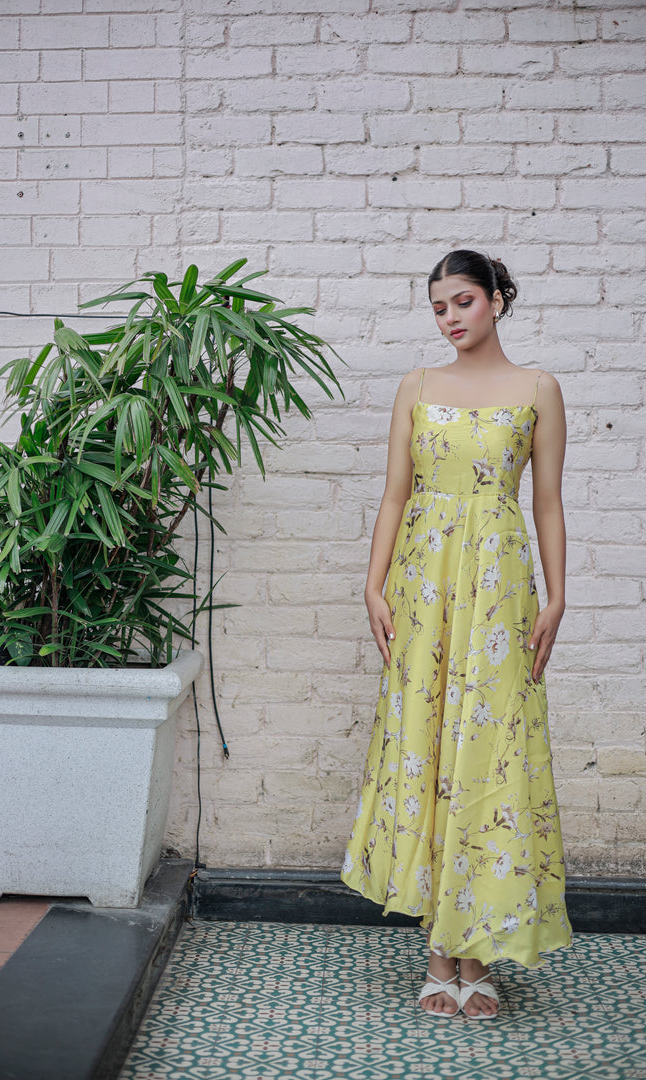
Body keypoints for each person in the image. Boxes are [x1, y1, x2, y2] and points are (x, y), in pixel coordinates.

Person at [340, 249, 573, 1019]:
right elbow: (393, 496)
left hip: (500, 587)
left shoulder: (539, 389)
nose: (451, 318)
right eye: (439, 307)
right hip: (424, 583)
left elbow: (545, 503)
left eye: (464, 301)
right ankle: (440, 952)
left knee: (487, 748)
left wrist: (557, 593)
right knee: (429, 741)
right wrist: (373, 584)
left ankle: (475, 948)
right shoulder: (418, 387)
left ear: (499, 300)